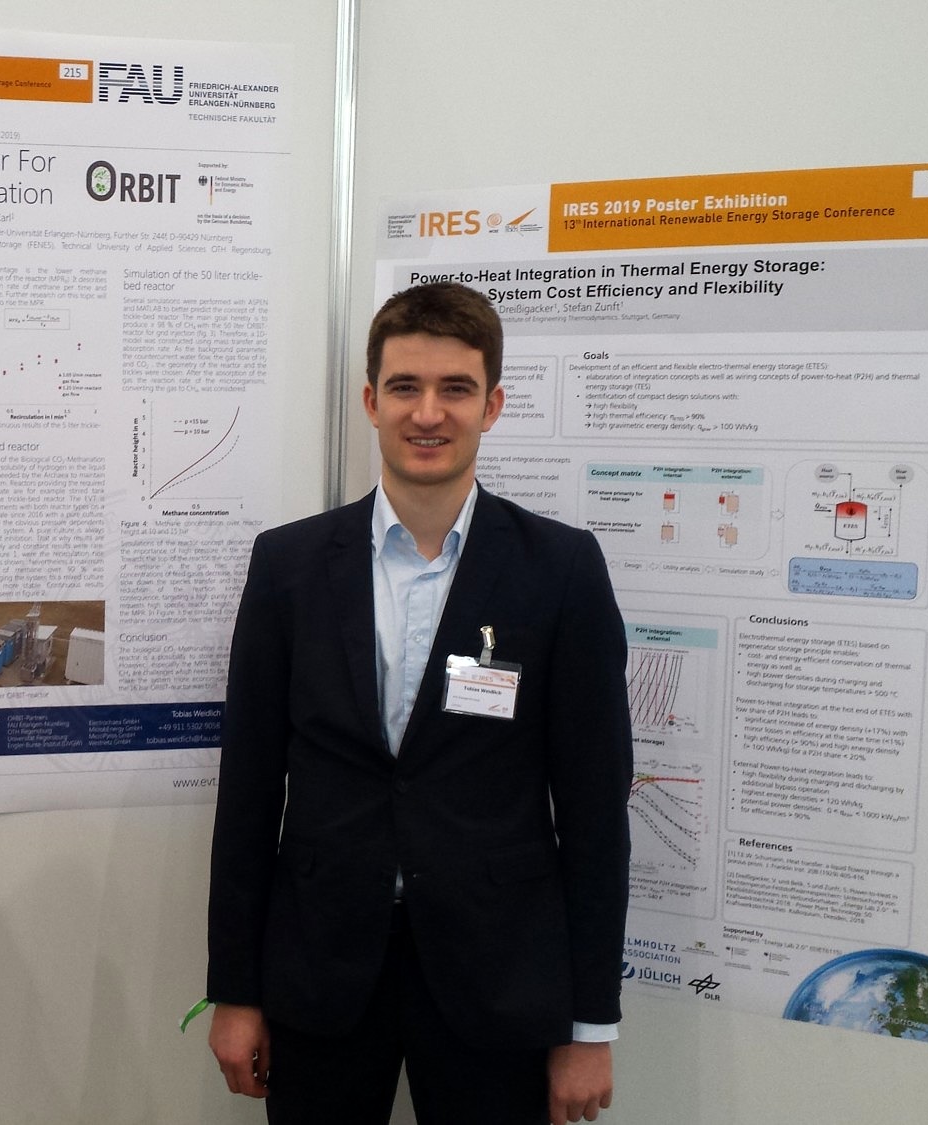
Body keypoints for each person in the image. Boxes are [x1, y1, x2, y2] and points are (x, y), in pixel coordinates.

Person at [204, 282, 632, 1124]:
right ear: (371, 401)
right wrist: (235, 989)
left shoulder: (561, 571)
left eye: (455, 389)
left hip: (497, 975)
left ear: (491, 405)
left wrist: (589, 1025)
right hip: (322, 970)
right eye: (405, 386)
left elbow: (593, 812)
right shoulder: (288, 567)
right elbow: (247, 794)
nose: (428, 413)